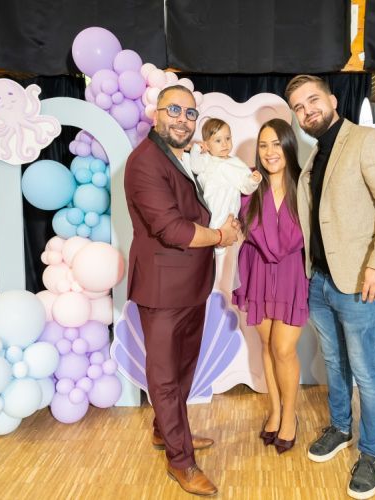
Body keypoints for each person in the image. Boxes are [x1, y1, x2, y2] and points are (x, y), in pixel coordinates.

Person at [285, 75, 375, 499]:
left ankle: (372, 453)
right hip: (320, 281)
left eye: (313, 100)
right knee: (334, 364)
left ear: (333, 100)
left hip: (360, 283)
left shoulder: (367, 141)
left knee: (367, 372)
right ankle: (340, 428)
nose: (307, 110)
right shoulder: (316, 154)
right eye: (299, 107)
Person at [124, 84, 239, 497]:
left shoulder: (179, 156)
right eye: (174, 110)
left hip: (192, 285)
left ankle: (165, 431)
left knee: (185, 368)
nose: (182, 119)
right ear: (156, 113)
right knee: (165, 377)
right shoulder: (144, 162)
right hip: (162, 289)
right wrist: (221, 236)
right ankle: (181, 461)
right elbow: (172, 229)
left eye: (190, 114)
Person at [232, 118, 309, 455]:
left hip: (292, 273)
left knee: (283, 349)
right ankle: (275, 411)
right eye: (263, 145)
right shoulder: (249, 185)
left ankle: (290, 415)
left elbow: (300, 235)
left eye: (276, 144)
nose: (269, 151)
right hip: (258, 271)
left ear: (288, 145)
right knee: (265, 344)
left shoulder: (304, 185)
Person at [190, 118, 262, 255]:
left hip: (229, 208)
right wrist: (196, 149)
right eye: (218, 140)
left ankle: (219, 251)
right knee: (212, 230)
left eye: (228, 138)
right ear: (207, 145)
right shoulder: (206, 159)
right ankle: (212, 252)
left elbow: (245, 185)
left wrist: (253, 180)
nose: (224, 144)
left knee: (227, 234)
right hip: (211, 204)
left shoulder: (236, 163)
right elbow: (195, 167)